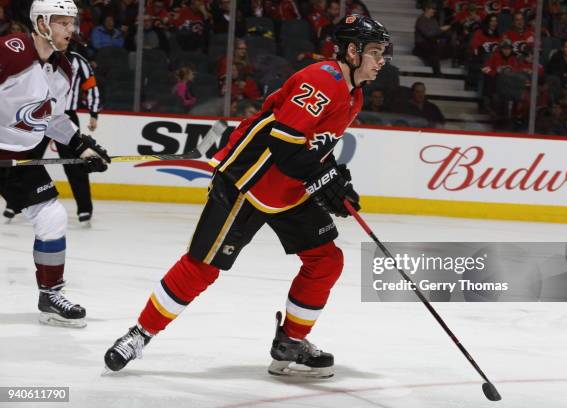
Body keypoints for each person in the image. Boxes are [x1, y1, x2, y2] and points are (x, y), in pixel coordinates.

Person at [104, 14, 391, 377]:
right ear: (353, 51)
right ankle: (139, 334)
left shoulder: (354, 95)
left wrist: (334, 179)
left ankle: (291, 341)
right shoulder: (324, 80)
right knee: (202, 267)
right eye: (376, 52)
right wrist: (321, 176)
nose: (382, 61)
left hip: (287, 188)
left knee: (326, 260)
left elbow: (314, 144)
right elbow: (283, 141)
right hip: (248, 181)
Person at [0, 0, 110, 328]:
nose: (70, 30)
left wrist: (82, 147)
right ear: (43, 23)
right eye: (62, 22)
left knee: (52, 216)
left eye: (71, 23)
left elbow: (54, 118)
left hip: (19, 160)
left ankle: (50, 294)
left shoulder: (64, 69)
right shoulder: (11, 49)